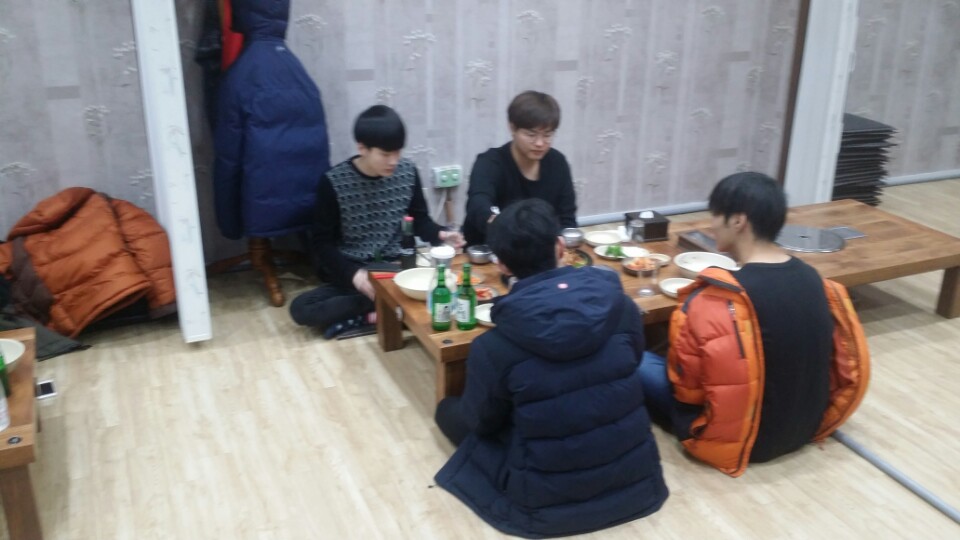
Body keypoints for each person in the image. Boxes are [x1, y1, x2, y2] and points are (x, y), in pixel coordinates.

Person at [434, 199, 668, 538]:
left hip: (545, 502)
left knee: (448, 410)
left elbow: (482, 421)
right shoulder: (621, 306)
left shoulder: (493, 345)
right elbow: (631, 361)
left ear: (501, 264)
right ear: (560, 247)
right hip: (635, 484)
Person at [639, 172, 870, 477]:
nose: (711, 224)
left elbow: (686, 391)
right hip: (806, 427)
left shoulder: (718, 298)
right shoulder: (816, 281)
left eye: (716, 215)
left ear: (738, 221)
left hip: (742, 441)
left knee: (634, 357)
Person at [290, 105, 463, 338]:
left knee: (450, 285)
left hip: (397, 269)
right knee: (301, 308)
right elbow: (322, 243)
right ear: (362, 148)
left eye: (397, 153)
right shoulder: (333, 182)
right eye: (385, 154)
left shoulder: (407, 172)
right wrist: (354, 276)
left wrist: (442, 234)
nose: (394, 161)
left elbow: (420, 221)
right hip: (356, 271)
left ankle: (373, 315)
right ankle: (387, 311)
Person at [213, 0, 330, 240]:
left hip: (261, 209)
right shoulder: (299, 73)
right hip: (310, 205)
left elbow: (228, 159)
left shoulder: (240, 75)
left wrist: (229, 224)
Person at [462, 91, 577, 246]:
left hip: (542, 251)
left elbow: (567, 218)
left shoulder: (558, 163)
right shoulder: (490, 162)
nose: (539, 143)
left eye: (547, 135)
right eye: (531, 135)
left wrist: (561, 240)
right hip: (492, 249)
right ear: (512, 128)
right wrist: (496, 223)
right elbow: (478, 204)